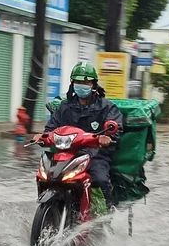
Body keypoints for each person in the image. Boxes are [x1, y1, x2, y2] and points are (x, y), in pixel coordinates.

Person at [32, 61, 123, 209]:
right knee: (45, 176)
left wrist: (106, 137)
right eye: (78, 81)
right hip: (67, 154)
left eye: (85, 82)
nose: (82, 85)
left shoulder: (107, 107)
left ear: (93, 84)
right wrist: (42, 137)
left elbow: (115, 129)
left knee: (100, 180)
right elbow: (51, 128)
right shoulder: (64, 107)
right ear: (72, 83)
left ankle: (102, 217)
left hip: (95, 154)